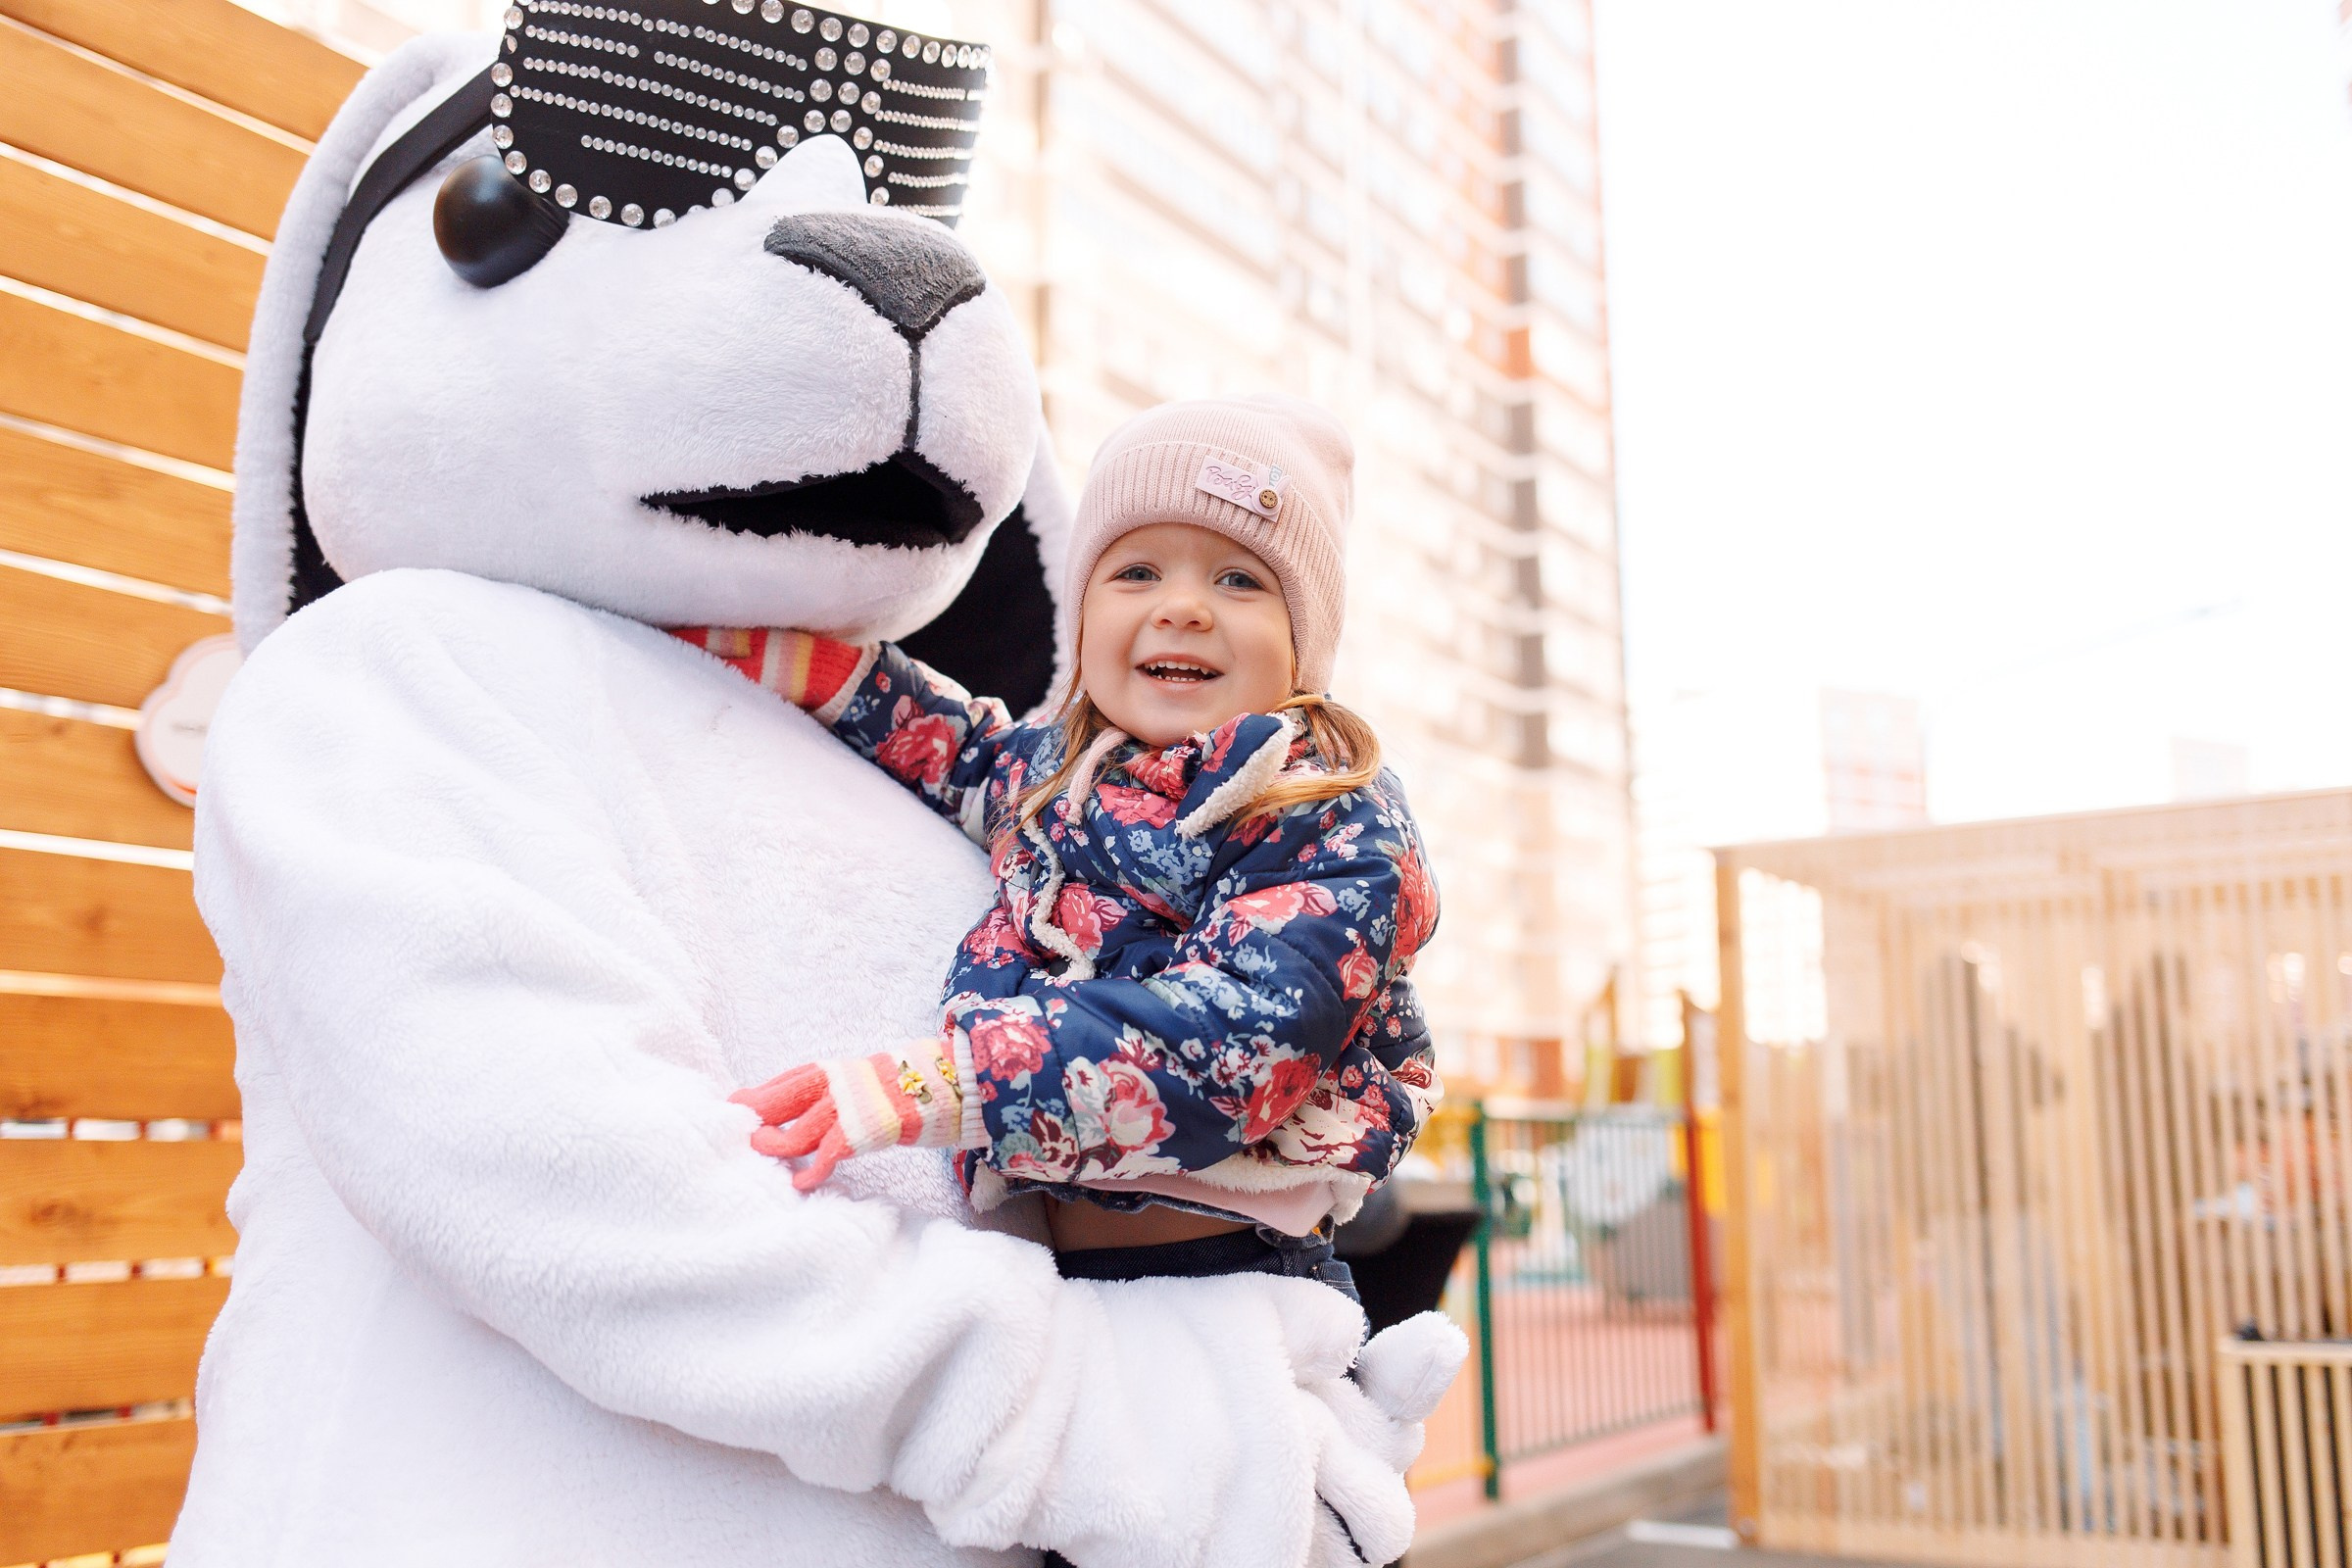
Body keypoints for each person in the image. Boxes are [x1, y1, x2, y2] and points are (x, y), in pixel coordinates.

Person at [702, 394, 1443, 1300]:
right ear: (1084, 618)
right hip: (1071, 1273)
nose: (1183, 608)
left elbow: (1243, 1034)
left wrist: (947, 1082)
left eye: (1240, 581)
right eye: (1136, 571)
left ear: (1304, 640)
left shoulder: (1326, 814)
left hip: (1231, 1276)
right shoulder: (1068, 776)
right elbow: (960, 751)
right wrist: (820, 672)